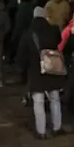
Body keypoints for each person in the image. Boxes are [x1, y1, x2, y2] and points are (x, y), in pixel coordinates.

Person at [17, 7, 65, 139]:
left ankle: (41, 131)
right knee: (55, 98)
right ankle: (57, 127)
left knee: (38, 101)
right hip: (52, 68)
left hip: (36, 71)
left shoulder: (28, 33)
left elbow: (22, 56)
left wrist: (23, 69)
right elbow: (59, 42)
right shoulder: (53, 30)